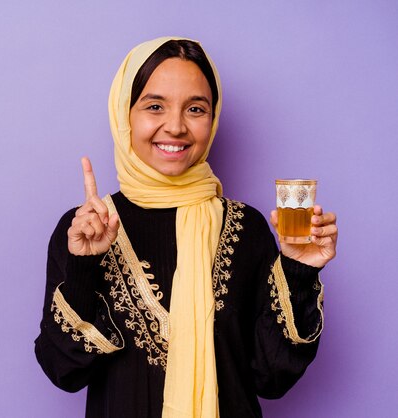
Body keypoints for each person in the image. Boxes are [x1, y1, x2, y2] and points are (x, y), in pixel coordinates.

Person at [34, 36, 337, 418]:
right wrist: (83, 267)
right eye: (154, 106)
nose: (175, 126)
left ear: (213, 118)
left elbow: (271, 378)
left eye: (195, 108)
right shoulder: (84, 230)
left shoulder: (247, 228)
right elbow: (65, 372)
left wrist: (298, 269)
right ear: (124, 114)